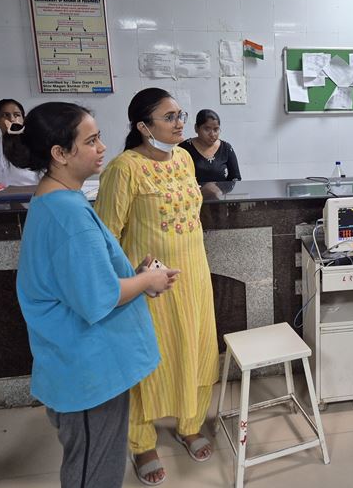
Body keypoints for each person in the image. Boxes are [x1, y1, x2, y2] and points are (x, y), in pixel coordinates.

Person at [11, 101, 177, 488]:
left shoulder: (56, 200)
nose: (102, 147)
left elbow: (82, 280)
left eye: (99, 137)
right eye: (90, 141)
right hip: (88, 373)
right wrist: (147, 282)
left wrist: (136, 275)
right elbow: (98, 298)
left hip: (83, 364)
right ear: (60, 153)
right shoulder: (69, 218)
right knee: (94, 472)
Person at [95, 88, 219, 486]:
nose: (180, 123)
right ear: (143, 126)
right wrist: (130, 281)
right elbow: (107, 237)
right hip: (148, 286)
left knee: (195, 350)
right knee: (146, 360)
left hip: (193, 277)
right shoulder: (124, 168)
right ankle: (141, 442)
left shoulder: (184, 157)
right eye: (169, 117)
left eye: (180, 115)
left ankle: (190, 425)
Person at [178, 109, 241, 183]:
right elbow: (177, 179)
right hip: (191, 190)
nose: (212, 134)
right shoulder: (184, 149)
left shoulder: (226, 148)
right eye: (207, 129)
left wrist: (222, 189)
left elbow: (236, 178)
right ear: (196, 128)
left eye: (216, 129)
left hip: (221, 191)